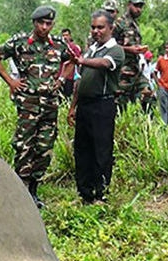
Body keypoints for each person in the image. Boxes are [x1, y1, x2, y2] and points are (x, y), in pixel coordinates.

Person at [0, 5, 75, 207]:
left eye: (49, 23)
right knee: (24, 146)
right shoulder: (20, 43)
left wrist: (61, 79)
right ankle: (21, 190)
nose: (45, 27)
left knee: (44, 146)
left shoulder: (59, 45)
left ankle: (34, 191)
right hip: (28, 104)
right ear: (34, 23)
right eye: (41, 23)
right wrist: (11, 81)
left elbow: (72, 59)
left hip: (50, 104)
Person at [67, 10, 123, 204]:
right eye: (93, 27)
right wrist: (73, 107)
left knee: (101, 150)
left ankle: (101, 194)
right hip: (85, 105)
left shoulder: (115, 50)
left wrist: (82, 60)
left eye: (100, 27)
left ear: (110, 28)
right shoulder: (91, 49)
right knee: (82, 149)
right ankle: (85, 193)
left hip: (102, 105)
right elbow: (79, 81)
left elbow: (104, 64)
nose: (96, 31)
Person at [113, 0, 148, 112]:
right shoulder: (119, 23)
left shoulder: (135, 24)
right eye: (136, 6)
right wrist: (129, 49)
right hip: (122, 71)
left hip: (135, 69)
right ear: (129, 5)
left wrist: (139, 49)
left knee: (149, 96)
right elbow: (109, 45)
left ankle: (146, 125)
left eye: (141, 7)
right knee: (120, 104)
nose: (139, 9)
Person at [60, 28, 81, 99]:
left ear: (70, 36)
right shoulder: (58, 46)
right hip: (58, 76)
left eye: (66, 35)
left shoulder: (74, 47)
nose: (65, 37)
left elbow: (77, 60)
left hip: (69, 76)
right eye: (63, 35)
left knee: (67, 97)